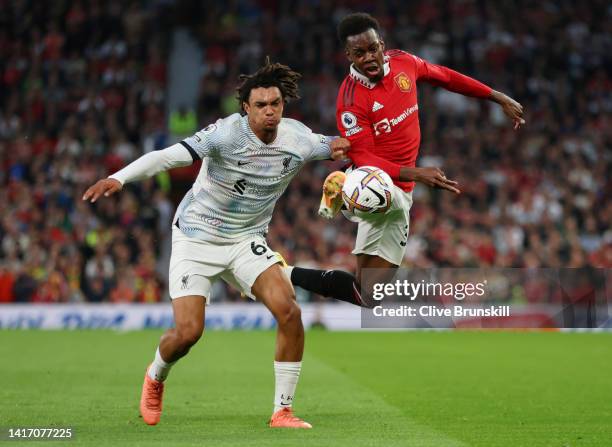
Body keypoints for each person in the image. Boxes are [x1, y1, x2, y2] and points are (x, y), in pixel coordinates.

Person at [83, 59, 349, 428]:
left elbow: (341, 146)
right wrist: (119, 178)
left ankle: (282, 411)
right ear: (246, 108)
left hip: (245, 240)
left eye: (275, 103)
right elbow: (167, 157)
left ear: (283, 105)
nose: (269, 111)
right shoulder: (225, 135)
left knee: (289, 311)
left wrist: (371, 161)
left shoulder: (298, 138)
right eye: (260, 105)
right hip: (196, 236)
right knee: (188, 333)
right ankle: (156, 376)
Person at [286, 12, 525, 307]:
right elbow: (361, 154)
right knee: (374, 187)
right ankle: (346, 190)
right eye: (359, 53)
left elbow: (447, 77)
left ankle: (286, 274)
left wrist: (496, 96)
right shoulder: (349, 99)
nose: (369, 57)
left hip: (402, 192)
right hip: (376, 182)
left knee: (368, 296)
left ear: (382, 45)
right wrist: (415, 173)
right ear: (348, 55)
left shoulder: (404, 63)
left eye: (373, 49)